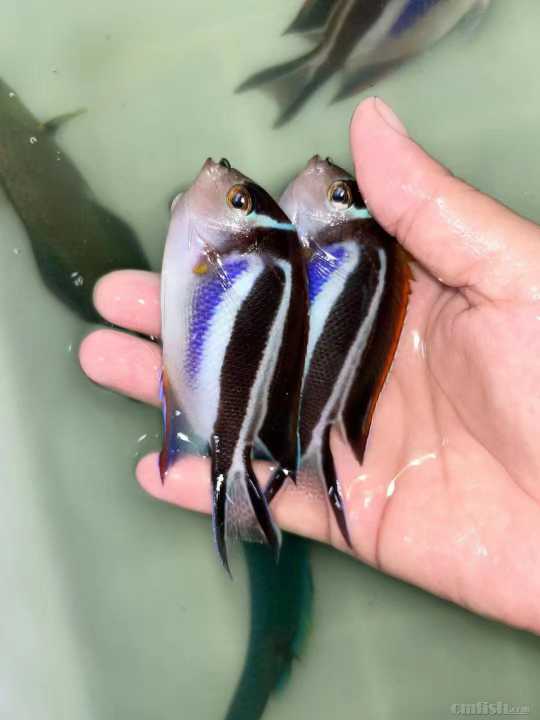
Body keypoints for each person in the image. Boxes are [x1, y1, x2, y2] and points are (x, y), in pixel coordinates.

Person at [80, 97, 540, 635]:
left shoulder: (281, 250)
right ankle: (260, 468)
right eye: (238, 199)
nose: (215, 170)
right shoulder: (276, 253)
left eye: (235, 200)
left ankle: (257, 470)